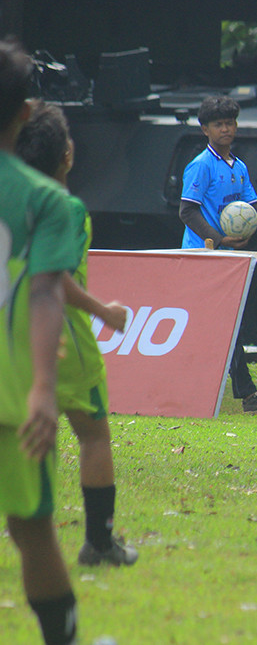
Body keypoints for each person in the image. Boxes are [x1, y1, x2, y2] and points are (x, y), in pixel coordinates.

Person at [16, 101, 138, 566]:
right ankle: (99, 543)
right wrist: (104, 311)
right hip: (63, 340)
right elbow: (55, 278)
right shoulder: (64, 207)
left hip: (15, 337)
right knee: (93, 436)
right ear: (66, 153)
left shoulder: (13, 198)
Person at [0, 39, 87, 645]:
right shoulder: (47, 200)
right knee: (32, 530)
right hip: (13, 401)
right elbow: (46, 293)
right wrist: (43, 388)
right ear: (26, 111)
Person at [179, 95, 257, 414]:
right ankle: (246, 394)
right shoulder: (200, 166)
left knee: (223, 326)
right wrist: (218, 239)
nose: (226, 129)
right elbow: (187, 212)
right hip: (201, 257)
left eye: (230, 123)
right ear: (205, 129)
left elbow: (253, 210)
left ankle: (211, 391)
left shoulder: (239, 166)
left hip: (226, 258)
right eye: (218, 124)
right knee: (226, 326)